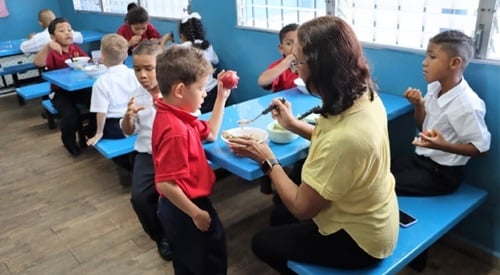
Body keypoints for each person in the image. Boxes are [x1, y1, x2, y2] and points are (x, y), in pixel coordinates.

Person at [227, 16, 398, 273]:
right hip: (370, 208)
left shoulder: (346, 138)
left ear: (320, 67)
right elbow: (332, 135)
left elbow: (302, 208)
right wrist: (293, 125)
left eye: (297, 62)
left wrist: (266, 158)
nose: (294, 69)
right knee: (277, 215)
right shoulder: (363, 94)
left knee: (262, 242)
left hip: (362, 239)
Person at [152, 45, 232, 274]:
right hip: (183, 206)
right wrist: (195, 213)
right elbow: (164, 184)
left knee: (190, 260)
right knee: (207, 261)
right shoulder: (176, 130)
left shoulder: (176, 113)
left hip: (185, 201)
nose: (205, 93)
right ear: (179, 90)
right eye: (200, 88)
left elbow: (211, 134)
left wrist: (221, 98)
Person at [392, 30, 491, 196]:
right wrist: (419, 105)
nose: (424, 63)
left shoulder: (467, 105)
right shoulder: (435, 88)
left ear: (454, 63)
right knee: (377, 171)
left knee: (383, 185)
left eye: (432, 57)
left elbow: (482, 149)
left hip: (441, 175)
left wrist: (443, 145)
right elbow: (423, 127)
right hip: (420, 160)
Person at [120, 40, 173, 261]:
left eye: (148, 69)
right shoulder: (136, 95)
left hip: (173, 153)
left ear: (162, 67)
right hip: (147, 154)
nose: (142, 75)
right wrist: (128, 117)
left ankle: (186, 229)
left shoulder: (175, 91)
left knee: (180, 195)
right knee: (140, 198)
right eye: (137, 69)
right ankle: (161, 237)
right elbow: (128, 131)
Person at [33, 17, 95, 156]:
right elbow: (38, 63)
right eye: (62, 30)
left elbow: (88, 63)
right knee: (70, 115)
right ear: (52, 36)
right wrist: (48, 46)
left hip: (80, 89)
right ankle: (70, 143)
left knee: (99, 104)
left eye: (69, 29)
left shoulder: (75, 48)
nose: (67, 33)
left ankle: (90, 130)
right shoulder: (52, 51)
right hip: (60, 92)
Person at [87, 33, 140, 185]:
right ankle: (134, 162)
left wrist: (98, 132)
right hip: (137, 122)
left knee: (91, 127)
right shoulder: (135, 74)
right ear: (125, 56)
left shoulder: (101, 82)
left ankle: (123, 165)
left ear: (102, 58)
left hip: (116, 127)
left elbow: (101, 112)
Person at [161, 12, 219, 114]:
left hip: (197, 94)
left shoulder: (180, 48)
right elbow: (216, 61)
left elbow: (162, 59)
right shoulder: (207, 45)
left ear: (182, 35)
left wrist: (164, 41)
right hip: (214, 89)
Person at [257, 23, 299, 92]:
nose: (294, 47)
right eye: (289, 44)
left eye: (299, 43)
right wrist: (285, 63)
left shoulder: (309, 65)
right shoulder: (279, 66)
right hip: (283, 102)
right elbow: (262, 81)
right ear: (281, 49)